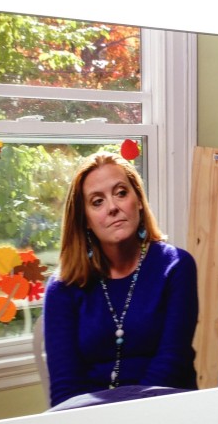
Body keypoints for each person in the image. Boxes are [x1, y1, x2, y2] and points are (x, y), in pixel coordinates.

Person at [43, 152, 198, 407]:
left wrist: (129, 421)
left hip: (167, 411)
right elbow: (65, 388)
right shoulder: (63, 287)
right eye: (97, 201)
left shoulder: (176, 266)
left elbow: (172, 362)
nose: (112, 207)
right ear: (86, 221)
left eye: (121, 192)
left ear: (138, 200)